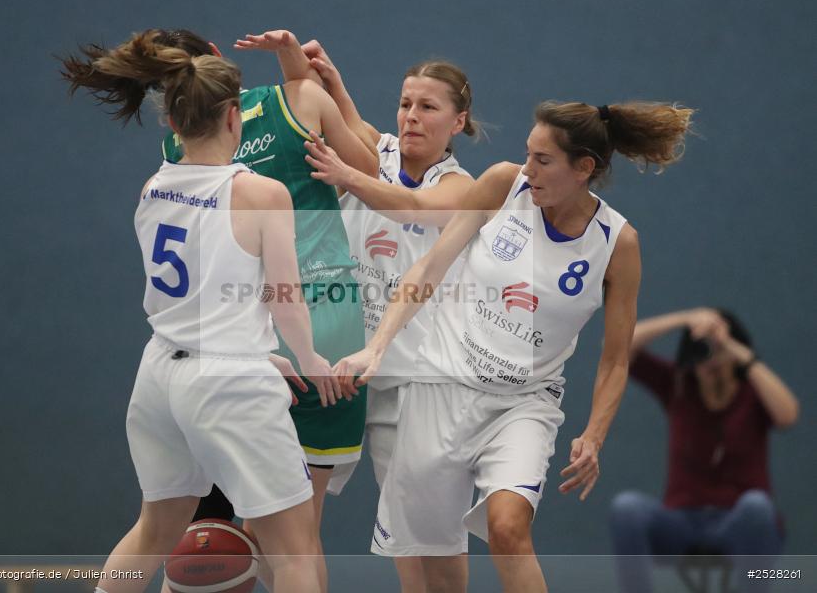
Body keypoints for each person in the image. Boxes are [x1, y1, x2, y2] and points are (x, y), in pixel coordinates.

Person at [332, 100, 694, 592]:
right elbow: (429, 269)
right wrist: (378, 345)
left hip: (523, 403)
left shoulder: (617, 244)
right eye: (528, 153)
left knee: (507, 527)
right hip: (440, 386)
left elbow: (615, 358)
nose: (528, 168)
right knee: (433, 559)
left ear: (584, 168)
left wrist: (595, 434)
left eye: (543, 160)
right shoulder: (503, 185)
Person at [60, 30, 344, 593]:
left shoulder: (153, 186)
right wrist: (307, 358)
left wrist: (262, 357)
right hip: (227, 380)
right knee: (294, 552)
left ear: (172, 122)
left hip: (159, 375)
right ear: (235, 117)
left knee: (154, 531)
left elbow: (202, 294)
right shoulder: (261, 193)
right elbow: (284, 299)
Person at [293, 40, 476, 593]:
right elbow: (347, 122)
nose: (412, 116)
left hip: (419, 381)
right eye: (405, 103)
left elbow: (408, 206)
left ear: (459, 121)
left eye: (428, 107)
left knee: (424, 538)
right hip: (347, 368)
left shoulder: (461, 187)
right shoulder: (376, 149)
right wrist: (334, 84)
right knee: (310, 519)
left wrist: (345, 175)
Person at [609, 307, 798, 593]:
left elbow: (788, 415)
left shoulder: (753, 391)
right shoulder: (679, 385)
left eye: (717, 354)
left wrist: (733, 348)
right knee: (627, 508)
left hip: (736, 524)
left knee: (758, 506)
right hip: (680, 523)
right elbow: (618, 346)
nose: (710, 364)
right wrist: (685, 319)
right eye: (703, 355)